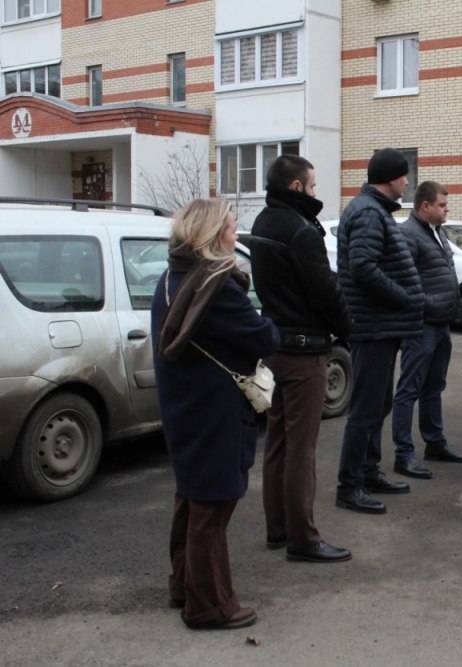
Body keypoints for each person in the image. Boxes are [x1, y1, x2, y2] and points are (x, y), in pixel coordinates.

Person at [152, 199, 280, 630]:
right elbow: (265, 337)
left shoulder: (171, 277)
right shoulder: (216, 286)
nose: (235, 234)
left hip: (183, 403)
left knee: (192, 496)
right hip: (214, 407)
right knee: (214, 503)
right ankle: (208, 606)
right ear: (212, 235)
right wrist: (265, 318)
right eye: (230, 227)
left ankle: (183, 585)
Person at [249, 155, 354, 563]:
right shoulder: (299, 230)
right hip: (304, 349)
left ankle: (279, 528)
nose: (316, 192)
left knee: (277, 442)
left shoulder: (263, 222)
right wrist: (347, 329)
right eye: (312, 186)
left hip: (274, 345)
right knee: (301, 449)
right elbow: (325, 290)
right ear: (296, 187)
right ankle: (303, 539)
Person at [336, 147, 424, 512]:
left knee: (378, 405)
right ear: (390, 178)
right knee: (365, 410)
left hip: (381, 326)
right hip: (372, 326)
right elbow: (364, 267)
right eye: (404, 175)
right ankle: (350, 486)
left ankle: (369, 471)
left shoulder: (374, 210)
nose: (407, 181)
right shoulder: (369, 213)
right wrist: (403, 297)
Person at [390, 181, 462, 479]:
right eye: (442, 205)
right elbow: (401, 280)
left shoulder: (437, 232)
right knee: (408, 389)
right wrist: (426, 305)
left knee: (434, 387)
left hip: (441, 324)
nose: (446, 210)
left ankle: (435, 443)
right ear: (425, 206)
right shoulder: (408, 234)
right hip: (420, 325)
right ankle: (404, 454)